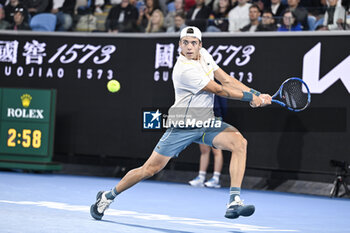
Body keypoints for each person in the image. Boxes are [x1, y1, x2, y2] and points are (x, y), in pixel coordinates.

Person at [90, 26, 272, 221]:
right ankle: (108, 196)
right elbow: (218, 90)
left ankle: (234, 200)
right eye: (185, 42)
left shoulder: (204, 55)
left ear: (200, 45)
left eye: (193, 42)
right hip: (183, 125)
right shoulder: (184, 69)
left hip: (206, 122)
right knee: (149, 169)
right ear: (180, 45)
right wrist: (251, 98)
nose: (189, 47)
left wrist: (256, 94)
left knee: (239, 142)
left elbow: (226, 79)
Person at [188, 94, 227, 188]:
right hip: (201, 117)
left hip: (215, 118)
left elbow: (223, 103)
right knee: (204, 149)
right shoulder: (199, 84)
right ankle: (201, 177)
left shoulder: (216, 85)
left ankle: (216, 178)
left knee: (216, 149)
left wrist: (219, 118)